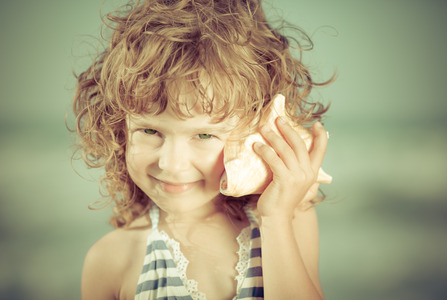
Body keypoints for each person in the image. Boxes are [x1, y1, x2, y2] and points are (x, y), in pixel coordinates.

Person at [72, 0, 332, 299]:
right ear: (119, 127)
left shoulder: (290, 218)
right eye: (150, 130)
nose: (171, 164)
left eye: (204, 134)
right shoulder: (111, 259)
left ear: (256, 131)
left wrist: (275, 219)